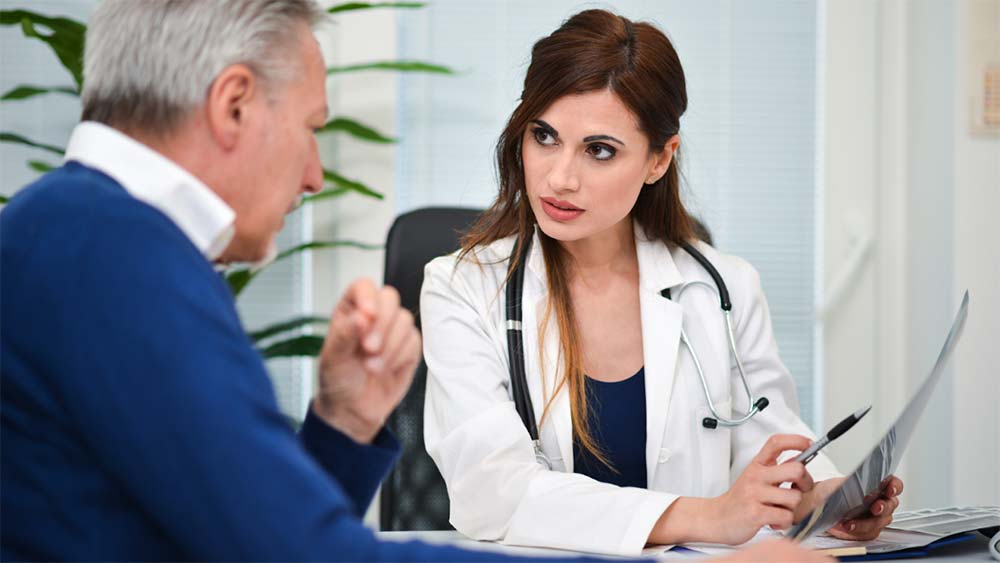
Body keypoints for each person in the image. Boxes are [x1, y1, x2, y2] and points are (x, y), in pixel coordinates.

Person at [0, 2, 832, 562]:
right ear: (234, 105)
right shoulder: (114, 257)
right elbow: (302, 551)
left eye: (601, 149)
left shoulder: (79, 234)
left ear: (659, 160)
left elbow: (238, 532)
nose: (317, 173)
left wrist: (341, 423)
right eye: (312, 130)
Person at [420, 9, 903, 557]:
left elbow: (765, 453)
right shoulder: (461, 287)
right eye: (544, 136)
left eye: (599, 150)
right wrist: (710, 516)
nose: (560, 177)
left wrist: (819, 499)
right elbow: (492, 491)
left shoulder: (725, 289)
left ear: (659, 159)